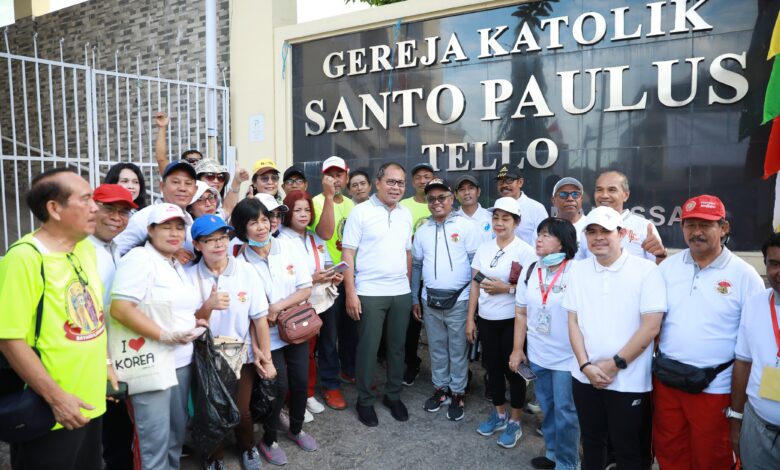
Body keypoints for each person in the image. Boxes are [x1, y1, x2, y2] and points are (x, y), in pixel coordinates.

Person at [0, 168, 107, 469]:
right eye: (85, 199)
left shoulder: (85, 248)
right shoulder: (24, 258)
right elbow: (9, 338)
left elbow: (93, 317)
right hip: (48, 412)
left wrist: (107, 364)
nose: (95, 207)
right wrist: (57, 398)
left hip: (90, 403)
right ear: (54, 209)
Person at [654, 195, 763, 470]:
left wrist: (741, 404)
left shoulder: (745, 275)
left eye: (706, 225)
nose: (697, 232)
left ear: (723, 228)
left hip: (714, 387)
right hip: (668, 381)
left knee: (711, 458)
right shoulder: (667, 268)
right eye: (690, 225)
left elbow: (755, 341)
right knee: (670, 453)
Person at [563, 206, 666, 470]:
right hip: (584, 377)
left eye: (605, 231)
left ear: (621, 234)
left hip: (628, 380)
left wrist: (614, 364)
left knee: (629, 450)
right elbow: (573, 321)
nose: (598, 237)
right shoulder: (577, 270)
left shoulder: (646, 270)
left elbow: (651, 327)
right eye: (592, 231)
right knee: (592, 443)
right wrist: (586, 366)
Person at [109, 203, 204, 469]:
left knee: (175, 436)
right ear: (150, 230)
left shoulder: (174, 262)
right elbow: (120, 308)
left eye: (179, 227)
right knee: (153, 444)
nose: (174, 233)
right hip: (151, 364)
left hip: (181, 362)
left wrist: (196, 321)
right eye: (166, 226)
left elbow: (170, 308)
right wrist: (164, 335)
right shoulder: (140, 258)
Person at [232, 197, 317, 465]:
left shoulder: (288, 248)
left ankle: (296, 428)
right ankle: (269, 439)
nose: (261, 227)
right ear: (242, 229)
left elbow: (305, 288)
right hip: (268, 336)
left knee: (301, 382)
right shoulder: (240, 261)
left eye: (264, 220)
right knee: (277, 388)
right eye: (253, 222)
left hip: (296, 328)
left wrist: (277, 306)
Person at [187, 215, 275, 470]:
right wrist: (208, 306)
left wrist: (266, 358)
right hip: (204, 354)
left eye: (223, 238)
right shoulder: (189, 275)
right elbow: (186, 322)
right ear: (197, 244)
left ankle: (248, 449)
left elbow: (259, 319)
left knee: (242, 409)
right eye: (209, 240)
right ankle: (215, 457)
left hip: (239, 350)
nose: (218, 244)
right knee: (210, 410)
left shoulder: (246, 271)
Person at [342, 162, 413, 427]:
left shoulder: (405, 214)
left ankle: (393, 395)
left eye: (401, 183)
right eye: (392, 182)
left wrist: (406, 285)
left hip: (400, 292)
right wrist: (351, 293)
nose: (396, 187)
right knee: (368, 350)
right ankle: (365, 400)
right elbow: (347, 254)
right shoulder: (360, 212)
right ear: (378, 182)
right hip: (370, 292)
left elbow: (407, 252)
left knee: (397, 348)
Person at [510, 217, 580, 470]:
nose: (539, 238)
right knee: (547, 408)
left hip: (567, 358)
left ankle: (567, 462)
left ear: (563, 243)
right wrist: (518, 349)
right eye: (539, 233)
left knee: (566, 412)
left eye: (547, 235)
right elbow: (521, 313)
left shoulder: (577, 271)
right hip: (538, 355)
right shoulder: (531, 269)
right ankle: (552, 452)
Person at [466, 197, 536, 449]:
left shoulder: (526, 251)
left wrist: (506, 288)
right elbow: (475, 284)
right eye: (496, 218)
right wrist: (469, 319)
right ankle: (499, 414)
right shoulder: (484, 248)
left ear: (516, 222)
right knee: (492, 368)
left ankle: (515, 422)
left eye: (506, 219)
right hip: (486, 319)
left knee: (513, 371)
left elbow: (531, 290)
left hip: (512, 321)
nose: (499, 223)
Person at [411, 178, 478, 421]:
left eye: (442, 197)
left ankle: (458, 392)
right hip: (430, 300)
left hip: (459, 300)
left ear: (452, 199)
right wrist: (414, 298)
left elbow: (475, 268)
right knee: (437, 348)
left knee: (458, 349)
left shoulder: (466, 226)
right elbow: (417, 266)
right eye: (432, 199)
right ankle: (441, 389)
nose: (436, 202)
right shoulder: (422, 230)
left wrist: (473, 303)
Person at [281, 190, 347, 413]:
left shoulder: (314, 236)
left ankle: (310, 393)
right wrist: (312, 278)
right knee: (301, 350)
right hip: (298, 303)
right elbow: (282, 277)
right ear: (288, 211)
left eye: (307, 209)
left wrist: (333, 274)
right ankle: (298, 396)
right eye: (297, 209)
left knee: (327, 343)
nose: (303, 214)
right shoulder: (280, 239)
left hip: (323, 299)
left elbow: (327, 262)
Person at [88, 184, 138, 470]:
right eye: (109, 209)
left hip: (117, 355)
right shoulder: (82, 251)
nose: (117, 217)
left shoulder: (116, 247)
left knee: (118, 436)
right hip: (96, 360)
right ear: (92, 208)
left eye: (124, 212)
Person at [730, 233, 780, 470]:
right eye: (774, 263)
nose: (779, 271)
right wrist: (736, 418)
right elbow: (743, 362)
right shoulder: (755, 304)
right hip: (758, 427)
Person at [310, 156, 359, 390]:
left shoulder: (352, 205)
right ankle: (330, 384)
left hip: (350, 277)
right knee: (329, 335)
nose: (335, 179)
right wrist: (329, 197)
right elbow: (327, 233)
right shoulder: (315, 202)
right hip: (327, 279)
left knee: (351, 330)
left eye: (339, 174)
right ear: (323, 178)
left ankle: (349, 369)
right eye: (330, 175)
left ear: (346, 177)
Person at [114, 160, 197, 263]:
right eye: (175, 182)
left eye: (188, 183)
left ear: (195, 190)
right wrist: (165, 252)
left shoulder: (189, 220)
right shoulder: (144, 217)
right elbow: (117, 253)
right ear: (162, 186)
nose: (182, 188)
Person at [400, 162, 435, 386]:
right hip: (408, 276)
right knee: (410, 328)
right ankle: (411, 363)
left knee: (437, 328)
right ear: (413, 182)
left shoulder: (440, 203)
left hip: (433, 278)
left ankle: (444, 372)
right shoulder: (403, 206)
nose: (423, 181)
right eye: (419, 177)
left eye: (427, 177)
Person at [585, 170, 667, 263]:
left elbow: (658, 268)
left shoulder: (645, 226)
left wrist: (661, 255)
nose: (604, 195)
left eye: (612, 190)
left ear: (626, 195)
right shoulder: (587, 225)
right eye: (599, 190)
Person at [495, 164, 548, 246]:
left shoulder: (536, 208)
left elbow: (544, 242)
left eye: (509, 180)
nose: (504, 185)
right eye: (500, 181)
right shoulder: (495, 208)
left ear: (520, 182)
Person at [550, 177, 587, 254]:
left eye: (575, 194)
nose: (570, 198)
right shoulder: (546, 228)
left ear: (581, 199)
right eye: (563, 194)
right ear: (553, 200)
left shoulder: (590, 225)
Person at [454, 174, 493, 243]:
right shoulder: (452, 220)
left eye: (471, 188)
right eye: (462, 189)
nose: (467, 193)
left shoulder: (491, 217)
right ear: (456, 195)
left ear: (478, 192)